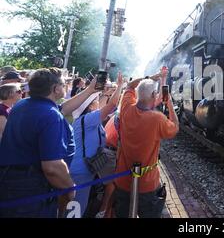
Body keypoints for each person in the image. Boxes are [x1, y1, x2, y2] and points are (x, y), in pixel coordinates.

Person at [0, 68, 101, 218]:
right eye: (63, 84)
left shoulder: (23, 105)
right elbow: (52, 167)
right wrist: (69, 189)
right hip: (33, 194)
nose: (65, 86)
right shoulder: (50, 115)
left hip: (12, 186)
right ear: (56, 89)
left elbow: (63, 108)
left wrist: (90, 90)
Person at [113, 69, 178, 218]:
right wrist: (170, 104)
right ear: (154, 96)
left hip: (122, 181)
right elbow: (175, 127)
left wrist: (154, 78)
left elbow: (129, 85)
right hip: (147, 185)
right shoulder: (157, 119)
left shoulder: (126, 107)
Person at [68, 73, 124, 217]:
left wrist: (105, 93)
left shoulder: (86, 118)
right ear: (91, 105)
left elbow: (107, 105)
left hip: (84, 169)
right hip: (80, 171)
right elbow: (111, 106)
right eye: (96, 100)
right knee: (75, 209)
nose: (99, 102)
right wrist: (120, 86)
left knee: (79, 206)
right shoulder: (88, 119)